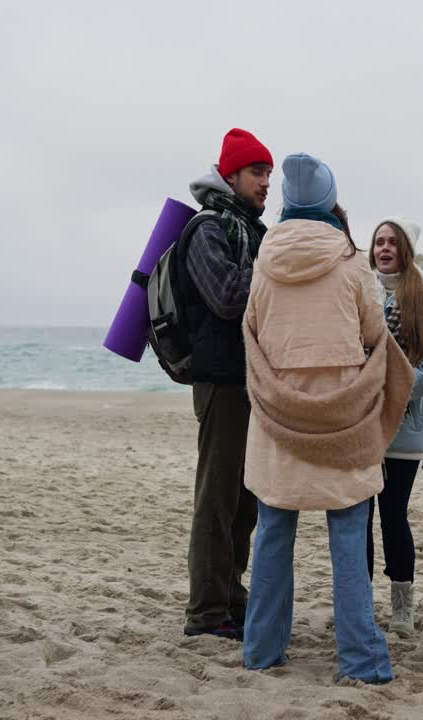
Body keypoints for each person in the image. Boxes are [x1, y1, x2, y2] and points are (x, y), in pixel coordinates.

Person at [241, 153, 413, 683]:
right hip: (342, 417)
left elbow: (253, 328)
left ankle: (262, 652)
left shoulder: (264, 262)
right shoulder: (351, 261)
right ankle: (360, 661)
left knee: (273, 529)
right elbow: (370, 334)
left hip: (277, 415)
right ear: (329, 203)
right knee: (347, 529)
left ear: (289, 205)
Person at [179, 128, 273, 640]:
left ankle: (231, 599)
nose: (266, 184)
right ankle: (206, 610)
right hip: (220, 381)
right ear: (231, 174)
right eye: (258, 173)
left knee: (246, 501)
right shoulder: (206, 228)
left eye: (269, 175)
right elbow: (227, 296)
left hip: (251, 380)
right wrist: (278, 271)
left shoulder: (252, 230)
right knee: (217, 499)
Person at [365, 218, 423, 637]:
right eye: (378, 242)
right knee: (357, 514)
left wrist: (389, 388)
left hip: (405, 425)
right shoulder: (360, 291)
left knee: (392, 513)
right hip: (360, 423)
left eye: (392, 243)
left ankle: (402, 603)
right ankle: (359, 600)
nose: (383, 248)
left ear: (406, 251)